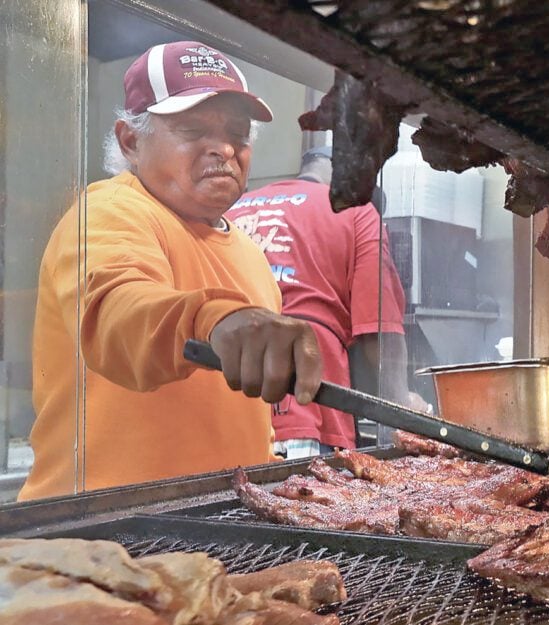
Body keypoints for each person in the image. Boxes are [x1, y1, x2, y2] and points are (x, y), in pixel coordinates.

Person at [20, 41, 323, 500]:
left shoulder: (248, 252)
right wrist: (213, 319)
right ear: (130, 141)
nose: (224, 148)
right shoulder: (108, 212)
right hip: (100, 524)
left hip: (217, 520)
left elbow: (240, 416)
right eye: (193, 130)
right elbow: (119, 312)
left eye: (239, 135)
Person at [227, 146, 422, 459]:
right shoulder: (355, 211)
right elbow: (379, 328)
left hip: (223, 415)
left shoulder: (233, 209)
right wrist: (403, 411)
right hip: (304, 412)